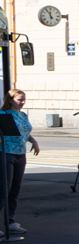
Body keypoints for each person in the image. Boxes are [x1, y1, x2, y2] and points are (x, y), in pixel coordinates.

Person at [1, 89, 40, 234]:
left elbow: (25, 132)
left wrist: (33, 141)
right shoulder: (3, 114)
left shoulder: (23, 115)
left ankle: (10, 221)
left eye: (24, 99)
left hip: (20, 154)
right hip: (6, 153)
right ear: (10, 100)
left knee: (15, 190)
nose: (22, 102)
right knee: (4, 189)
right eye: (19, 99)